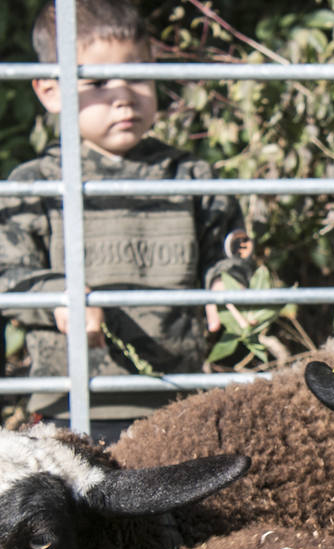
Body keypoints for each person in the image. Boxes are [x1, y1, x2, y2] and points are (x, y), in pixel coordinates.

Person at [0, 0, 251, 442]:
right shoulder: (34, 184)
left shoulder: (189, 177)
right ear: (50, 91)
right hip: (69, 406)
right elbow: (7, 277)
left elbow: (228, 253)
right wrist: (59, 298)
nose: (123, 96)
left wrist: (226, 285)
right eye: (96, 81)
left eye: (137, 74)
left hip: (178, 402)